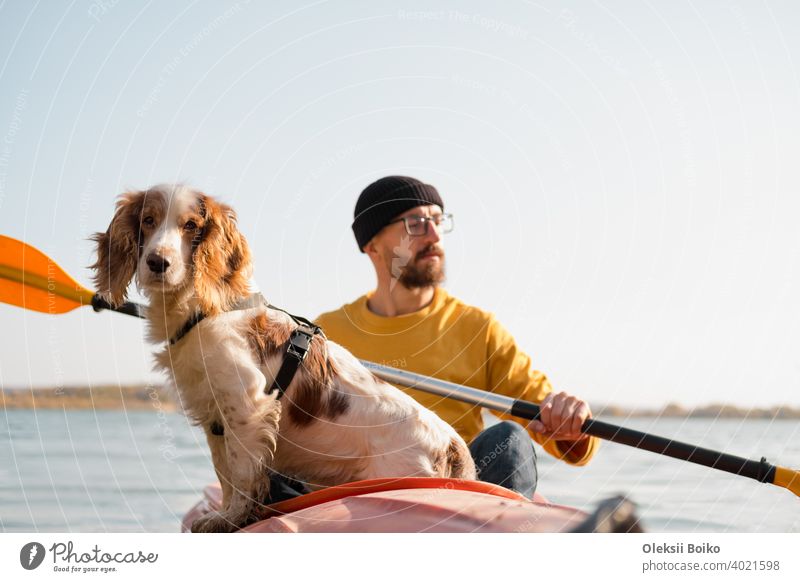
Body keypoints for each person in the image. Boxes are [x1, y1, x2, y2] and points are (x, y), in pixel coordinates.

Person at [315, 176, 599, 498]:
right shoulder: (325, 335)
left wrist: (568, 419)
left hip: (455, 496)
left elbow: (547, 418)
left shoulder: (477, 327)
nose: (434, 235)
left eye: (437, 221)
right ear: (372, 245)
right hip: (357, 497)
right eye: (416, 224)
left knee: (509, 439)